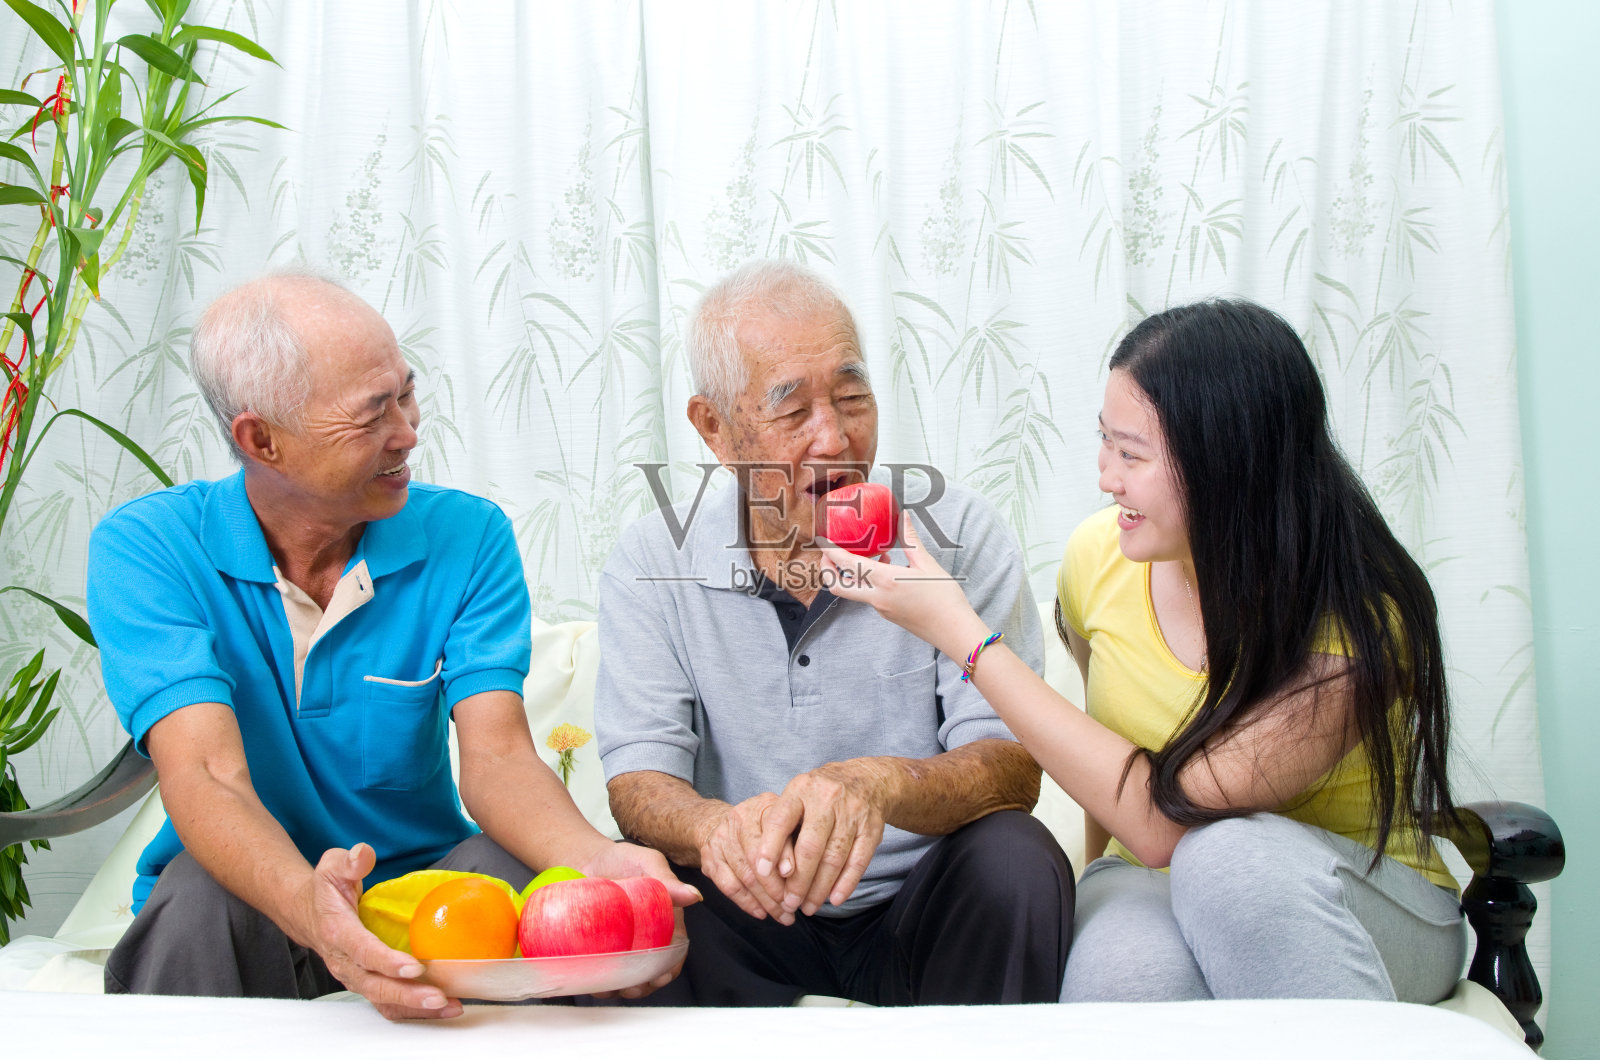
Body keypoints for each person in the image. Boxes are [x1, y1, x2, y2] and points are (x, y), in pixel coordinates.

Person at [822, 299, 1466, 1004]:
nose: (1106, 476)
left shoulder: (1360, 624)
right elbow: (1108, 772)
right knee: (1126, 973)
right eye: (1106, 442)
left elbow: (1170, 823)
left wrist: (958, 630)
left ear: (1230, 467)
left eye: (1132, 455)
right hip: (1152, 878)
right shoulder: (1098, 560)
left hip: (1358, 900)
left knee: (1224, 858)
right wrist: (1105, 883)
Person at [88, 273, 696, 1018]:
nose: (408, 432)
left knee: (511, 870)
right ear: (261, 439)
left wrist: (604, 865)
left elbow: (499, 757)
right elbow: (207, 773)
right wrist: (317, 912)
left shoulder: (468, 537)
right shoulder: (148, 549)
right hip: (251, 895)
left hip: (423, 893)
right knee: (197, 894)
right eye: (373, 413)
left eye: (406, 395)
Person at [593, 259, 1074, 1007]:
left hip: (921, 904)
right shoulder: (653, 561)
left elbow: (1012, 768)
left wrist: (878, 784)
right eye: (793, 413)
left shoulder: (957, 535)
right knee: (646, 888)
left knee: (1016, 857)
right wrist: (718, 829)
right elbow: (639, 784)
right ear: (713, 427)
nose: (835, 438)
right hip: (752, 910)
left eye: (853, 398)